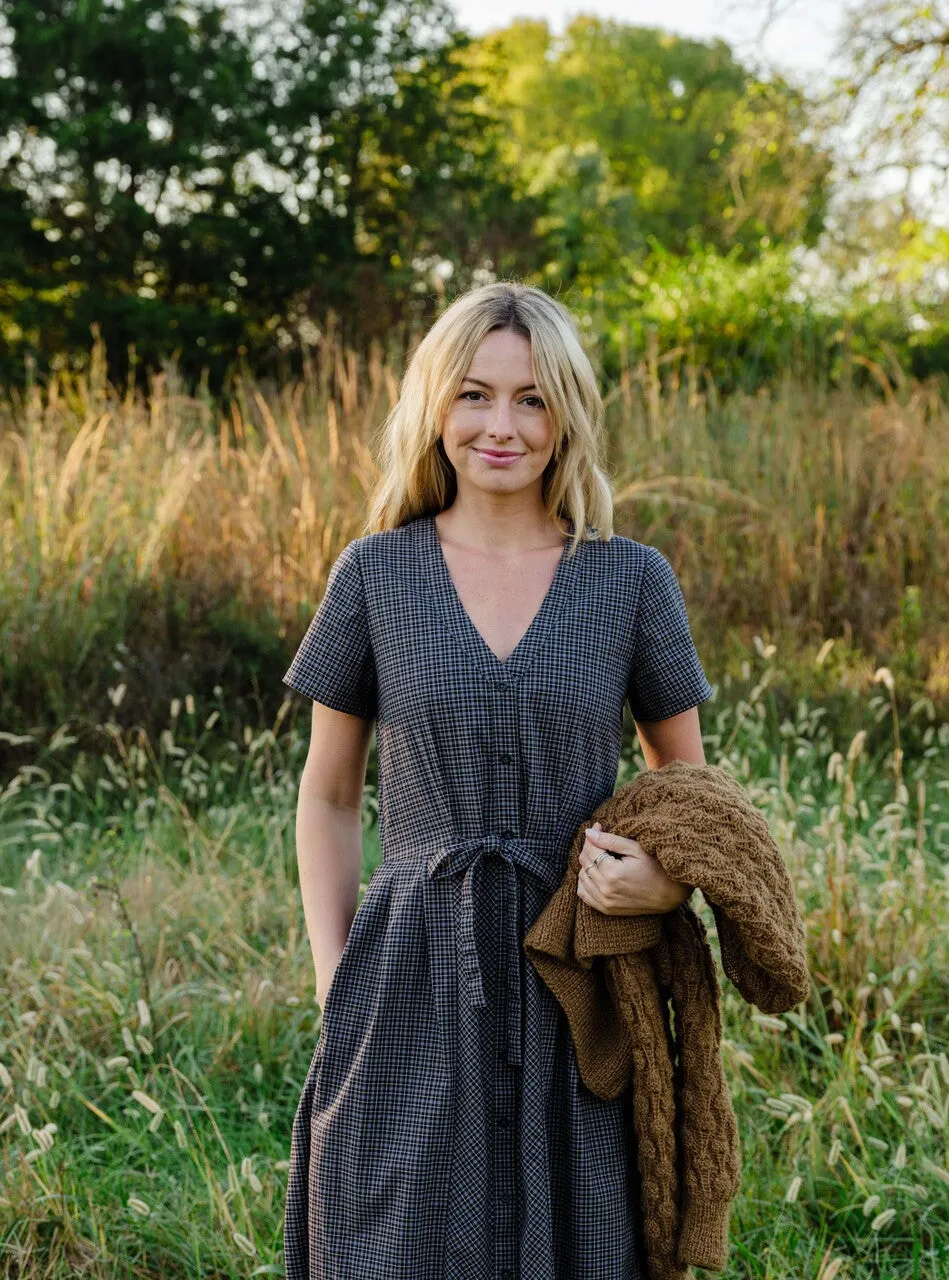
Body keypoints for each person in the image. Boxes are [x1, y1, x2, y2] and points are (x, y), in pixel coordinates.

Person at [281, 280, 714, 1280]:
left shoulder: (630, 579)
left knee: (582, 1238)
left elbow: (690, 792)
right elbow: (329, 793)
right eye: (474, 394)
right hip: (407, 968)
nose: (501, 426)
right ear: (435, 405)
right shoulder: (374, 574)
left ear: (567, 415)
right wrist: (331, 972)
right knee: (389, 1233)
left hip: (579, 969)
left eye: (532, 398)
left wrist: (661, 882)